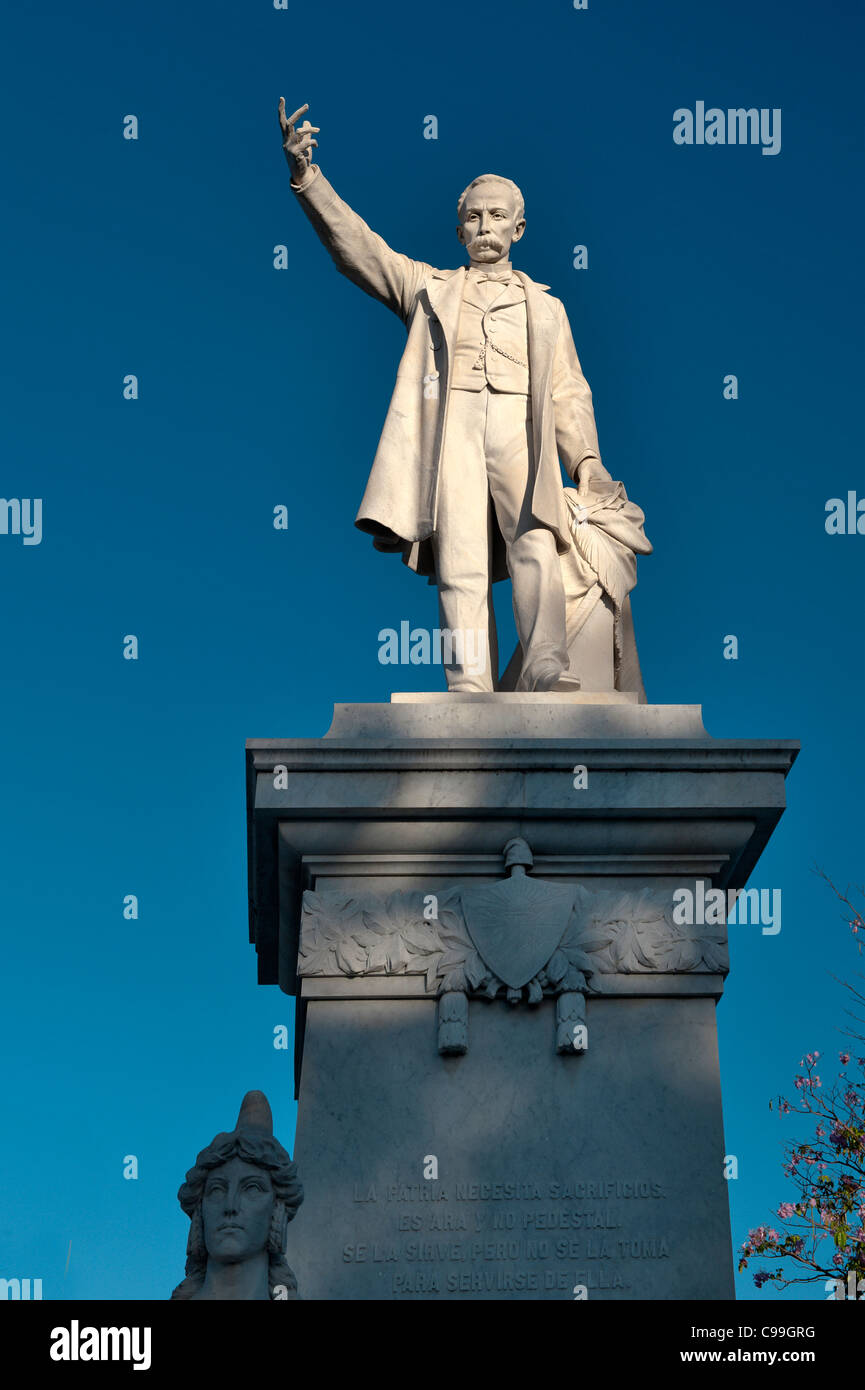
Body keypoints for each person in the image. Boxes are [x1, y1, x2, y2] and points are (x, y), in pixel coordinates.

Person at [279, 100, 614, 692]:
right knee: (460, 555)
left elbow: (567, 390)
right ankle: (469, 684)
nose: (486, 227)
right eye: (475, 217)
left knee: (535, 538)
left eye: (497, 217)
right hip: (453, 421)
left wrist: (585, 462)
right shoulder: (431, 288)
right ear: (459, 228)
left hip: (520, 425)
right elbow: (363, 252)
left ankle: (545, 665)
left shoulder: (546, 307)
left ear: (519, 228)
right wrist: (310, 180)